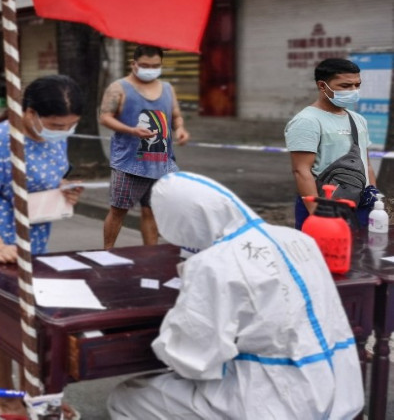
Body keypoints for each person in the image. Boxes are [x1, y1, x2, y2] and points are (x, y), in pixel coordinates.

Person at [108, 171, 364, 419]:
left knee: (127, 397)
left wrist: (168, 336)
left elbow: (192, 359)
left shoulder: (214, 263)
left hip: (275, 402)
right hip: (342, 392)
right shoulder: (297, 238)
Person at [0, 75, 84, 420]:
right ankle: (8, 400)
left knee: (36, 321)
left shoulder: (55, 137)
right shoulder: (2, 142)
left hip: (33, 241)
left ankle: (38, 395)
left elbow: (48, 176)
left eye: (71, 126)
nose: (63, 131)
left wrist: (64, 188)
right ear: (30, 113)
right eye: (57, 124)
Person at [99, 44, 189, 249]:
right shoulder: (119, 88)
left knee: (152, 210)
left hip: (161, 162)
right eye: (145, 65)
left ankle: (151, 256)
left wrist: (181, 129)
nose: (151, 69)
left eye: (155, 65)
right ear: (134, 64)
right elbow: (105, 117)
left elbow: (175, 115)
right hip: (129, 163)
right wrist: (132, 130)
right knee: (118, 210)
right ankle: (106, 252)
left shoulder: (167, 88)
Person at [286, 57, 377, 229]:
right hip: (324, 205)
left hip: (359, 204)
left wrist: (373, 196)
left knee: (360, 253)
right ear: (322, 86)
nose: (353, 90)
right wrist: (317, 214)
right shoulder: (307, 121)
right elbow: (301, 170)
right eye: (345, 86)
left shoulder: (358, 119)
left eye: (357, 85)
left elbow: (367, 164)